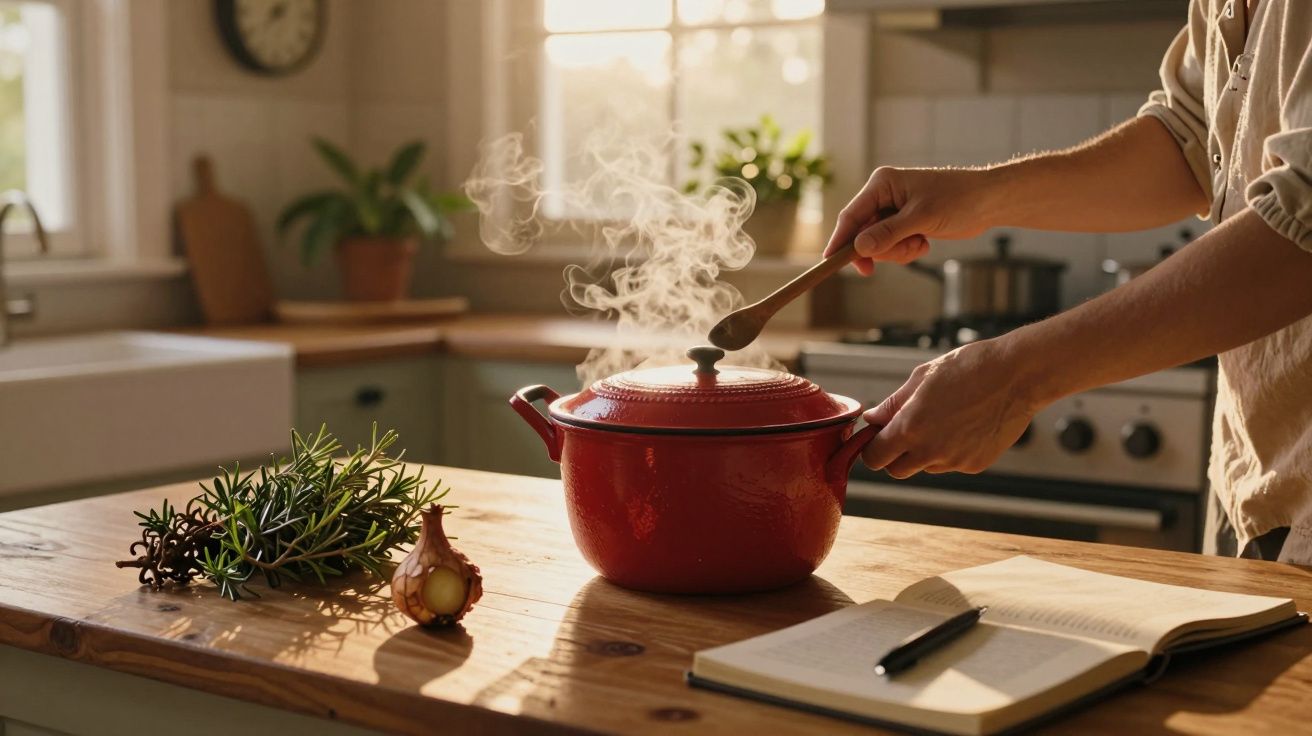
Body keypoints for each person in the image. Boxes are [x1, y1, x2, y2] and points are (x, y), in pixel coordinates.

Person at [825, 0, 1312, 564]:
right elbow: (1188, 141)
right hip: (1251, 480)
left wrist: (1016, 376)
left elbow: (1301, 227)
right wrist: (980, 196)